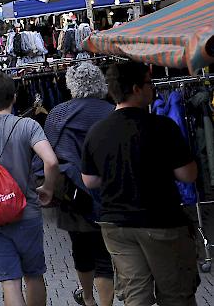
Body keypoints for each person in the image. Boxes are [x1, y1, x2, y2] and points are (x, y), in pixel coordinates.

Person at [81, 62, 200, 305]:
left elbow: (90, 180)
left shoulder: (97, 131)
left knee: (136, 293)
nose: (153, 89)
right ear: (136, 88)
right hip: (160, 221)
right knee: (175, 291)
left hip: (115, 224)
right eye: (150, 83)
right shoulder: (162, 127)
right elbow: (188, 175)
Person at [0, 72, 59, 306]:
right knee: (34, 274)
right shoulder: (28, 125)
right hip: (27, 211)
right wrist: (48, 187)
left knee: (10, 280)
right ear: (14, 97)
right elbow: (52, 161)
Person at [42, 63, 115, 306]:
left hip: (74, 194)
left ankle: (88, 297)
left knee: (81, 249)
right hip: (109, 192)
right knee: (105, 255)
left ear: (71, 85)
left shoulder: (59, 113)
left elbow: (50, 155)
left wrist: (48, 188)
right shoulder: (112, 111)